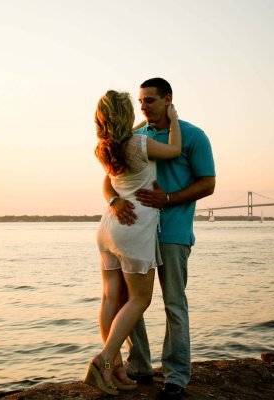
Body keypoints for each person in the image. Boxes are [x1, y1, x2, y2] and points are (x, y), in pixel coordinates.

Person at [103, 78, 215, 399]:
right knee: (131, 301)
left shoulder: (193, 136)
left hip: (173, 233)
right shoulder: (135, 137)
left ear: (168, 100)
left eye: (150, 100)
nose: (143, 106)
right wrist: (114, 201)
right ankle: (139, 366)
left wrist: (168, 199)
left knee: (174, 304)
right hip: (136, 234)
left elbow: (208, 184)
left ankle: (177, 376)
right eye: (141, 101)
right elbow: (108, 180)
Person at [83, 90, 182, 395]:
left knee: (111, 298)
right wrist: (173, 118)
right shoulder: (140, 144)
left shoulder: (104, 148)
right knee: (140, 299)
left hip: (108, 228)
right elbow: (174, 150)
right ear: (125, 115)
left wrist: (112, 198)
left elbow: (109, 180)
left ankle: (115, 371)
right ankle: (103, 361)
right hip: (133, 229)